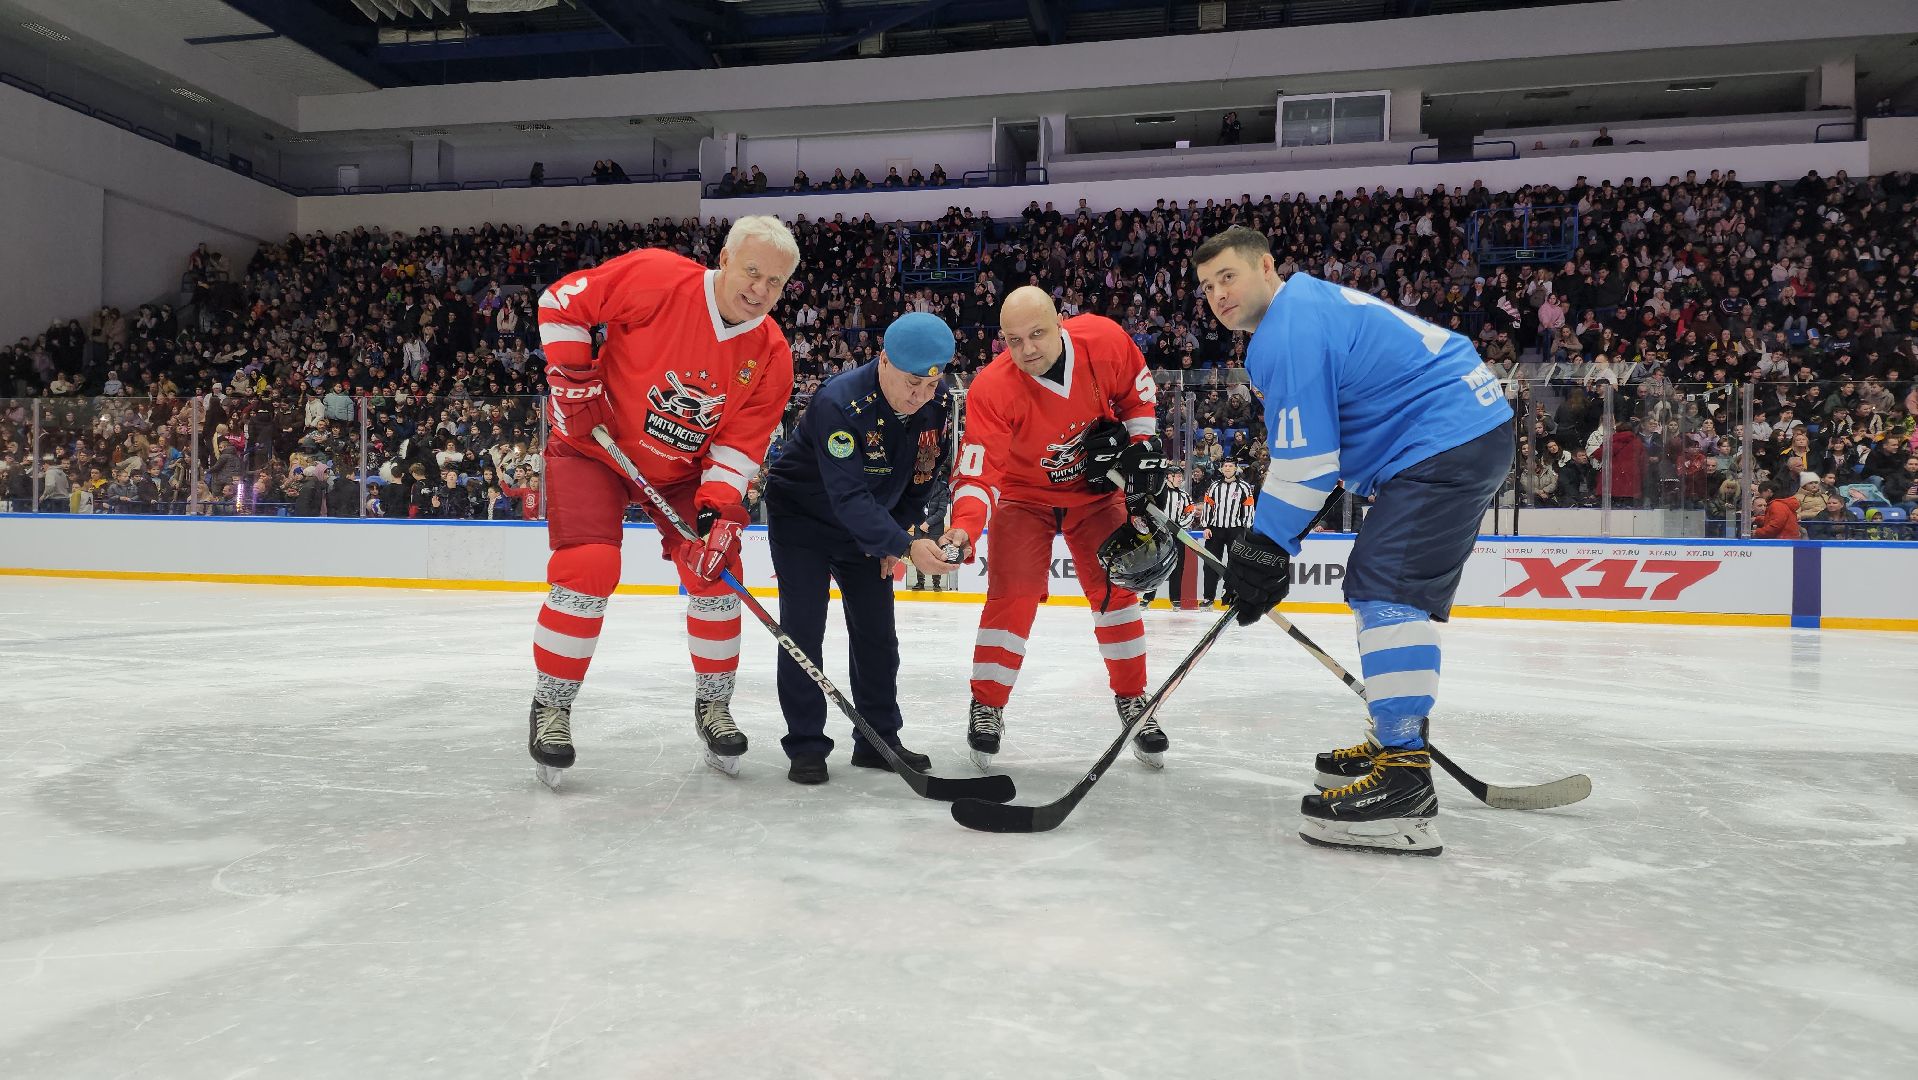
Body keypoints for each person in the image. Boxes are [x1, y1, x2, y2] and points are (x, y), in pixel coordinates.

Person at [1195, 226, 1514, 857]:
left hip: (1444, 438)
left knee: (1385, 588)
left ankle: (1404, 783)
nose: (1217, 295)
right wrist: (1275, 542)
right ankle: (1393, 738)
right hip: (1460, 430)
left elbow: (1308, 463)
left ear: (1267, 267)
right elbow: (1319, 458)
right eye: (1207, 287)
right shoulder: (1301, 313)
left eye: (1228, 277)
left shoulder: (1290, 327)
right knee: (1392, 590)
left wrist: (1266, 544)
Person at [525, 215, 801, 784]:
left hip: (682, 475)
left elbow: (738, 447)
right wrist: (574, 380)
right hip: (591, 446)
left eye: (775, 282)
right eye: (752, 272)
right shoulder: (658, 276)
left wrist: (716, 510)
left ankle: (714, 704)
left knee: (717, 573)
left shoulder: (772, 354)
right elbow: (562, 301)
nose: (760, 290)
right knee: (588, 567)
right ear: (724, 259)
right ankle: (551, 705)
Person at [947, 286, 1168, 770]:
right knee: (1013, 596)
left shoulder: (1104, 339)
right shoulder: (992, 387)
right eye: (1013, 340)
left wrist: (1141, 449)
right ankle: (987, 704)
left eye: (1037, 334)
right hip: (1023, 498)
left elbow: (1137, 394)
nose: (1026, 350)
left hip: (1095, 493)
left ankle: (1133, 698)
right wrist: (965, 525)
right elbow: (977, 469)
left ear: (1061, 322)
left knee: (1116, 593)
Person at [762, 313, 959, 785]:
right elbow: (846, 496)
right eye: (912, 383)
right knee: (804, 630)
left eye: (930, 386)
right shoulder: (840, 403)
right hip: (803, 521)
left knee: (876, 633)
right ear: (884, 360)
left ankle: (878, 740)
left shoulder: (935, 404)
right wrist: (905, 545)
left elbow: (924, 475)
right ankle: (806, 744)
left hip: (871, 525)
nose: (920, 396)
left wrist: (897, 532)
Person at [1197, 457, 1254, 607]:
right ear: (1221, 469)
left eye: (1230, 466)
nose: (1227, 468)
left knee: (1235, 564)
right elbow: (1208, 507)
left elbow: (1248, 509)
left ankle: (1229, 596)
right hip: (1215, 529)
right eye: (1225, 466)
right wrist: (1206, 526)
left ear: (1236, 468)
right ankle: (1208, 598)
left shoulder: (1244, 487)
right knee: (1210, 563)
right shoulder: (1214, 486)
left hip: (1235, 530)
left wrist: (1246, 529)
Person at [1139, 464, 1196, 609]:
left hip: (1177, 536)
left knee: (1177, 566)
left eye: (1181, 477)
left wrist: (1177, 527)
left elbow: (1190, 512)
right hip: (1159, 535)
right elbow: (1149, 511)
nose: (1180, 479)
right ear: (1168, 477)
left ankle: (1175, 599)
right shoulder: (1158, 494)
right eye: (1177, 476)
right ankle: (1148, 597)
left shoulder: (1184, 496)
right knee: (1155, 565)